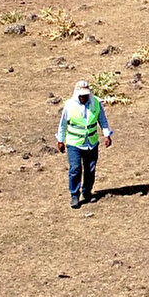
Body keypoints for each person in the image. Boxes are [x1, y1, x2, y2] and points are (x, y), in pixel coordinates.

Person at [56, 79, 112, 209]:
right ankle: (74, 195)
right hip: (74, 143)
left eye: (85, 95)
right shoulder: (69, 105)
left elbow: (102, 119)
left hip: (91, 142)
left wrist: (107, 134)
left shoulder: (96, 103)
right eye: (81, 95)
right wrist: (60, 140)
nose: (83, 98)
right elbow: (63, 124)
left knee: (90, 169)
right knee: (75, 169)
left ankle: (87, 192)